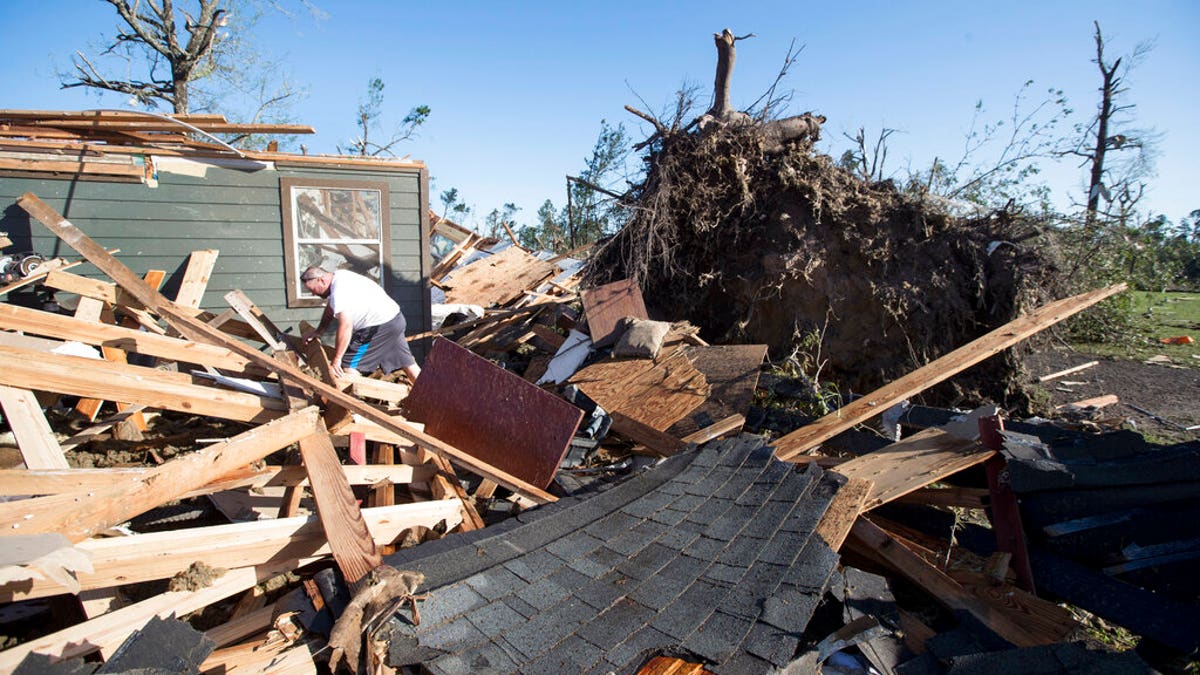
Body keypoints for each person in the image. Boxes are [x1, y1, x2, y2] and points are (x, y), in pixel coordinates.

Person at [299, 266, 421, 382]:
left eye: (313, 290)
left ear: (322, 280)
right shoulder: (340, 275)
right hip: (395, 320)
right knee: (408, 364)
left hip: (378, 327)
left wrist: (337, 359)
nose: (314, 294)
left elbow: (346, 325)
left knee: (348, 367)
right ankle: (434, 396)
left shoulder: (338, 291)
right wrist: (319, 331)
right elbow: (331, 308)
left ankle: (354, 402)